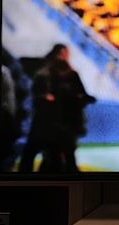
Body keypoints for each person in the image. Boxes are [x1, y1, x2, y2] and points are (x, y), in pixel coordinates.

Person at [19, 44, 96, 173]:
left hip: (65, 123)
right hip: (44, 122)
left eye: (65, 54)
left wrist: (82, 98)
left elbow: (81, 96)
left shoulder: (72, 76)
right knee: (32, 153)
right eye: (60, 54)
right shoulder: (44, 75)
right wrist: (45, 98)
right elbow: (35, 95)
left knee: (61, 158)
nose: (63, 57)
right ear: (54, 55)